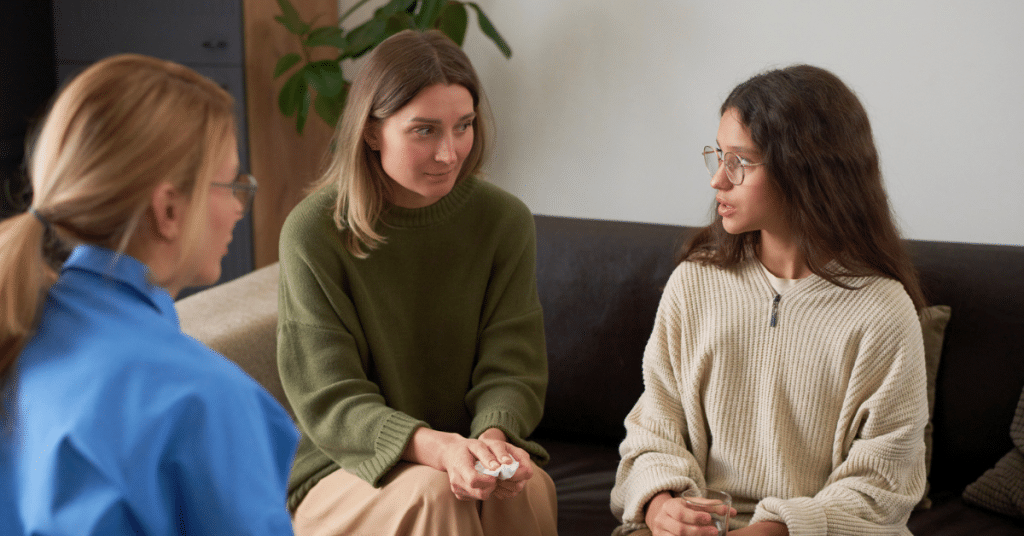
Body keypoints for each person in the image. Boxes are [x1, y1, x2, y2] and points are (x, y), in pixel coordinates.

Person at [610, 64, 930, 536]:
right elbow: (653, 430)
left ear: (805, 170)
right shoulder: (694, 283)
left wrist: (774, 529)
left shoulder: (883, 312)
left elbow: (883, 484)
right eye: (717, 155)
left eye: (739, 161)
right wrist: (660, 504)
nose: (718, 179)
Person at [0, 54, 299, 535]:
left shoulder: (16, 331)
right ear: (168, 209)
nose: (239, 208)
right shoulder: (204, 402)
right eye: (231, 183)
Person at [277, 30, 558, 535]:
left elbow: (512, 365)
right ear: (370, 131)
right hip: (344, 469)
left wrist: (491, 441)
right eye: (424, 131)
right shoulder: (313, 232)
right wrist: (441, 449)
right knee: (437, 496)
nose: (449, 153)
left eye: (463, 126)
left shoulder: (503, 221)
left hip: (465, 449)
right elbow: (331, 399)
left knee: (522, 486)